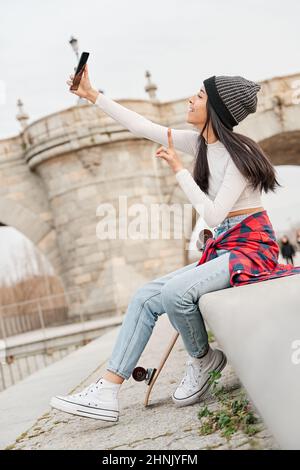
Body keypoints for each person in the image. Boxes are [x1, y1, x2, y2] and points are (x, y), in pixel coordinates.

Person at [50, 66, 281, 422]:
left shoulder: (238, 156)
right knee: (145, 296)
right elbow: (142, 127)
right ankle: (108, 391)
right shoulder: (202, 144)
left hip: (251, 249)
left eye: (200, 96)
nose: (191, 99)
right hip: (224, 247)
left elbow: (215, 215)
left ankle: (203, 360)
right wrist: (93, 95)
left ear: (217, 109)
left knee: (175, 292)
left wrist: (179, 172)